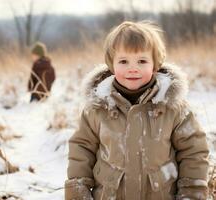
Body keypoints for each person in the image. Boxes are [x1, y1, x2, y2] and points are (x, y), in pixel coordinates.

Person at [64, 21, 209, 200]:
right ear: (111, 66)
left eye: (142, 61)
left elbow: (193, 151)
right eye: (124, 61)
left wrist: (192, 192)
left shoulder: (172, 107)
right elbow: (81, 149)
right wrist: (78, 191)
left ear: (155, 65)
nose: (133, 68)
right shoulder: (98, 108)